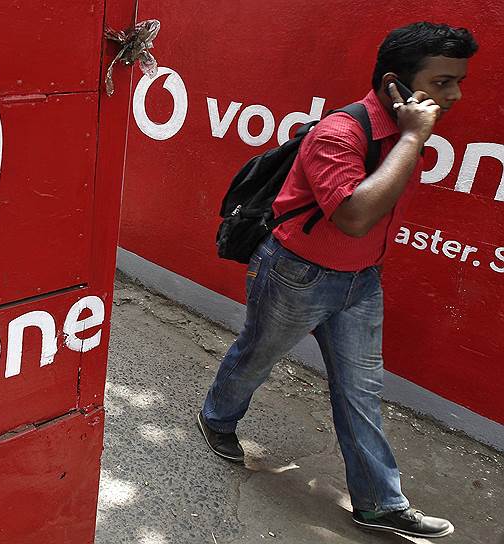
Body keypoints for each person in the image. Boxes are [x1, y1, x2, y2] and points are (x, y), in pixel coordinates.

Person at [195, 22, 478, 539]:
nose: (453, 96)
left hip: (361, 281)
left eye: (457, 82)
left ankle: (379, 503)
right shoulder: (340, 134)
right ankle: (216, 418)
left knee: (360, 391)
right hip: (297, 276)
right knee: (257, 355)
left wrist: (409, 137)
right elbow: (353, 217)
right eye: (441, 83)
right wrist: (413, 137)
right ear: (395, 84)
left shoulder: (403, 134)